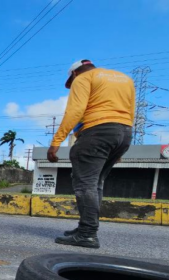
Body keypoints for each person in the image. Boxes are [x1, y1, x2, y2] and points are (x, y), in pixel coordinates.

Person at [48, 59, 135, 249]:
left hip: (96, 131)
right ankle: (85, 228)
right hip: (124, 132)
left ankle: (87, 234)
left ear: (74, 73)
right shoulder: (125, 79)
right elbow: (130, 112)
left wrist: (56, 142)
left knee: (86, 183)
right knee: (96, 183)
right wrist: (118, 147)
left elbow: (75, 110)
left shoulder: (83, 78)